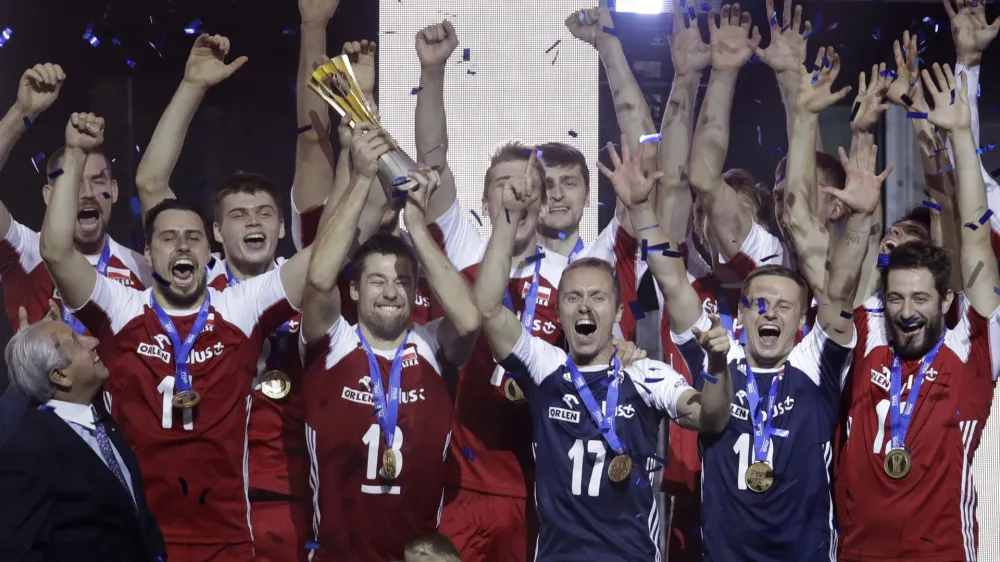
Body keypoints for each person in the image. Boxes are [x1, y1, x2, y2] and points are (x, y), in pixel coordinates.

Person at [38, 112, 314, 562]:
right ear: (147, 254)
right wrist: (72, 153)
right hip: (137, 534)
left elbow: (320, 264)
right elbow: (55, 250)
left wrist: (358, 177)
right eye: (168, 238)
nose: (182, 246)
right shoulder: (121, 307)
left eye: (193, 238)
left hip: (226, 538)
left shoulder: (239, 307)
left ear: (210, 251)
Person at [473, 137, 731, 559]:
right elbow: (487, 307)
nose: (585, 307)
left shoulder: (646, 375)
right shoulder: (545, 366)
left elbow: (710, 416)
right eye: (573, 298)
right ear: (558, 313)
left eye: (598, 297)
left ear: (616, 312)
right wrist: (510, 217)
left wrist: (717, 366)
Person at [835, 62, 1000, 562]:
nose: (907, 312)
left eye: (922, 299)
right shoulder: (869, 336)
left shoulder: (969, 348)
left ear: (947, 300)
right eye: (897, 298)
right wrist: (862, 141)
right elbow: (847, 275)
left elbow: (972, 236)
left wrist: (961, 135)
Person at [299, 122, 479, 561]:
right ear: (355, 291)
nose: (391, 291)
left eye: (402, 280)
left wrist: (416, 225)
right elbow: (320, 278)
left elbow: (471, 321)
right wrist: (361, 177)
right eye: (376, 281)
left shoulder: (430, 343)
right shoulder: (332, 340)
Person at [0, 63, 152, 438]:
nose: (85, 193)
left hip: (127, 428)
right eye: (73, 181)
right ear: (50, 196)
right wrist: (23, 113)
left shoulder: (142, 268)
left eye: (97, 180)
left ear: (114, 192)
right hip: (42, 425)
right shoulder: (27, 251)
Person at [0, 316, 165, 561]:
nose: (94, 341)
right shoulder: (28, 447)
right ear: (59, 376)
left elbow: (131, 510)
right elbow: (20, 551)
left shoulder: (101, 418)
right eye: (76, 342)